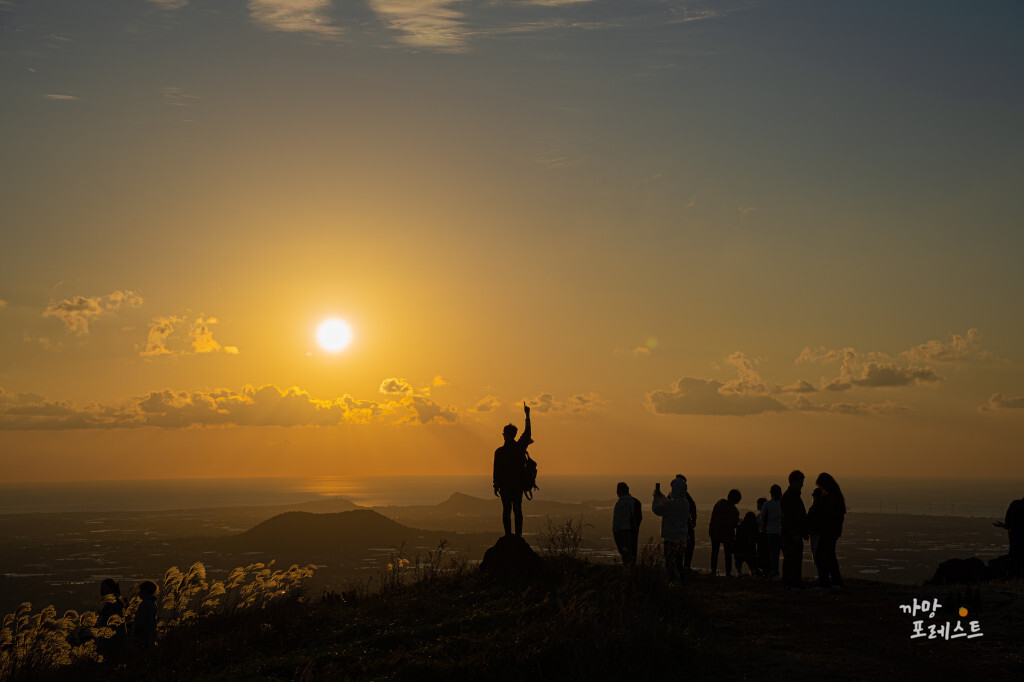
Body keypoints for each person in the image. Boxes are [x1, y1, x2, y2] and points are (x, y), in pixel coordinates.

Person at [493, 402, 532, 536]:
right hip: (517, 485)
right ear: (514, 435)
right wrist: (527, 415)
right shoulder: (520, 448)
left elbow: (496, 471)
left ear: (505, 435)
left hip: (505, 486)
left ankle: (508, 535)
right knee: (518, 510)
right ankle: (518, 536)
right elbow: (527, 434)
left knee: (506, 510)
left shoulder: (499, 452)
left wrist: (496, 485)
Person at [652, 475, 691, 584]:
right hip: (682, 538)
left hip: (670, 538)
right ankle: (683, 582)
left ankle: (672, 583)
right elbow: (668, 504)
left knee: (669, 562)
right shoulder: (685, 503)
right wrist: (662, 496)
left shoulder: (673, 504)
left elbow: (657, 509)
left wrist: (656, 497)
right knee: (679, 562)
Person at [814, 472, 846, 589]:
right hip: (833, 531)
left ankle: (825, 582)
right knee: (829, 555)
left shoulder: (830, 498)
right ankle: (836, 581)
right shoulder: (836, 496)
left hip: (828, 531)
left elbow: (824, 514)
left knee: (820, 555)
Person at [781, 471, 808, 589]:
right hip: (792, 535)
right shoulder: (790, 497)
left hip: (794, 534)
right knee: (791, 559)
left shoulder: (792, 496)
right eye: (801, 482)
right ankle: (790, 582)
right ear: (795, 482)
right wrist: (794, 534)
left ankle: (793, 581)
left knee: (794, 559)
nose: (802, 485)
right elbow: (788, 519)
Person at [708, 489, 742, 576]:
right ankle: (728, 572)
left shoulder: (720, 503)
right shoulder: (734, 511)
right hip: (727, 534)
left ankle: (713, 570)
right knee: (728, 553)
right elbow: (734, 524)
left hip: (715, 532)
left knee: (715, 552)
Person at [97, 578, 128, 660]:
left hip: (113, 647)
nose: (101, 590)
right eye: (101, 588)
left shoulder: (114, 604)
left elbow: (114, 627)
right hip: (109, 647)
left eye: (104, 588)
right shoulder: (109, 604)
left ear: (111, 589)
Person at [612, 482, 641, 565]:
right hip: (632, 530)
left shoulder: (620, 504)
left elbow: (616, 522)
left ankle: (627, 572)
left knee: (625, 554)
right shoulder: (635, 502)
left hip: (621, 531)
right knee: (631, 553)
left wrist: (614, 532)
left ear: (619, 491)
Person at [996, 497, 1024, 574]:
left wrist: (1004, 526)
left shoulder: (1015, 504)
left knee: (1015, 560)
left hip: (1015, 539)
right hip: (1016, 539)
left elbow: (1008, 523)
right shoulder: (1016, 504)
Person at [761, 485, 783, 581]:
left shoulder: (767, 504)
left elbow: (762, 517)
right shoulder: (783, 503)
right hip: (782, 531)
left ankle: (775, 573)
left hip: (770, 531)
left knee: (774, 554)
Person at [132, 580, 159, 646]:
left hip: (142, 640)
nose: (139, 593)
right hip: (150, 638)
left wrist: (133, 634)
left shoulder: (145, 604)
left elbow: (140, 623)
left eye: (141, 590)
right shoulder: (153, 603)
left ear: (145, 591)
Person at [806, 487, 824, 586]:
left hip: (815, 533)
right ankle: (821, 576)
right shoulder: (820, 507)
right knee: (818, 555)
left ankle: (822, 577)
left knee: (817, 555)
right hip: (815, 533)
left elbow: (810, 520)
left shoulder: (815, 508)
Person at [734, 511, 759, 576]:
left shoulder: (741, 526)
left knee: (738, 561)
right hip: (750, 549)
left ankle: (739, 572)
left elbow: (737, 537)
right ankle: (752, 572)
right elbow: (756, 538)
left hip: (740, 548)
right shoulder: (755, 526)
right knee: (751, 561)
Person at [683, 479, 697, 571]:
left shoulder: (671, 496)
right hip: (685, 524)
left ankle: (685, 566)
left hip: (684, 524)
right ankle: (686, 566)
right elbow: (693, 507)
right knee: (689, 544)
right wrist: (693, 519)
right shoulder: (686, 496)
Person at [755, 497, 769, 577]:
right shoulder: (765, 515)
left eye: (758, 504)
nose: (757, 506)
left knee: (762, 554)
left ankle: (764, 571)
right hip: (765, 536)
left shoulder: (760, 516)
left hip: (762, 537)